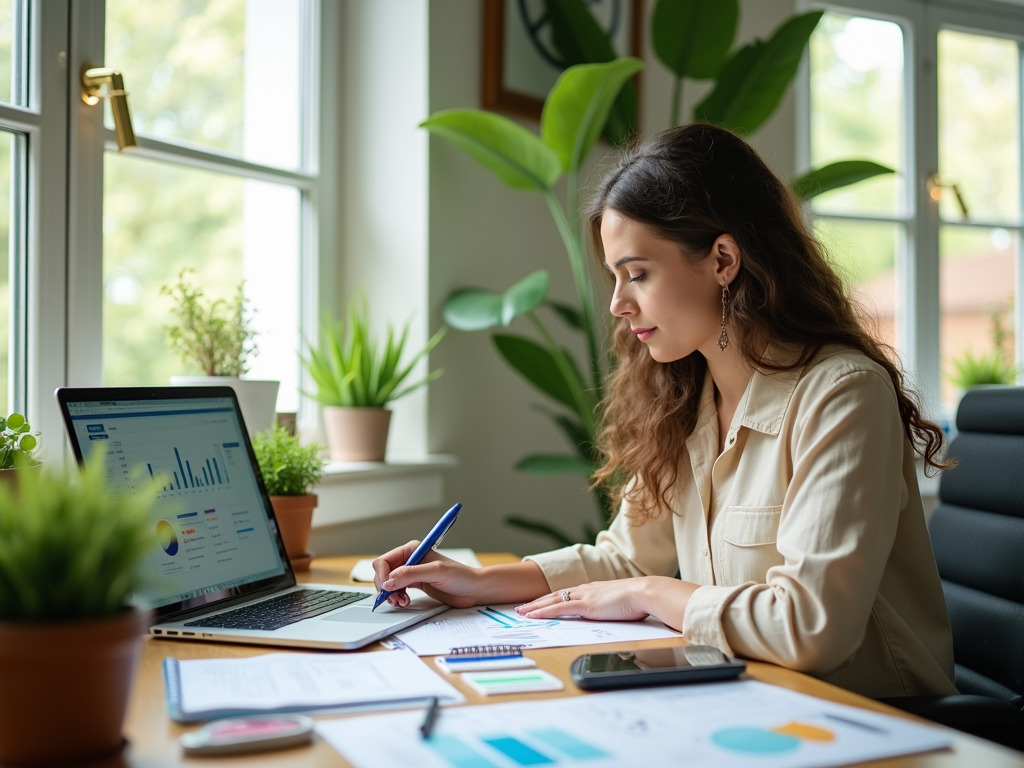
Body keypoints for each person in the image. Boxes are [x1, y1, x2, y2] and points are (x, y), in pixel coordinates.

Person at [373, 123, 958, 699]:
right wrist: (477, 583)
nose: (618, 303)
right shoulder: (684, 398)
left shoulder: (841, 394)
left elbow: (811, 627)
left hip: (874, 714)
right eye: (615, 276)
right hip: (750, 697)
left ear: (723, 260)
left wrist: (654, 594)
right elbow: (625, 557)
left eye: (638, 274)